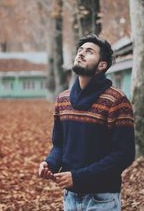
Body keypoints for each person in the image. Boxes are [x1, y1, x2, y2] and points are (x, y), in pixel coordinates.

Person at [39, 34, 135, 211]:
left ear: (102, 65)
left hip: (102, 198)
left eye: (89, 51)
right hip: (70, 197)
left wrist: (78, 177)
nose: (81, 54)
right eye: (80, 50)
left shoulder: (116, 100)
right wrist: (50, 163)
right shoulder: (63, 99)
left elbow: (124, 154)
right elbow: (60, 144)